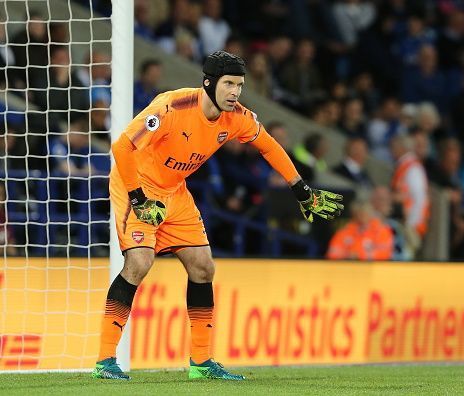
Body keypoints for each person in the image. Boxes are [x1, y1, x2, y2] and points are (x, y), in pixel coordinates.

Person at [92, 51, 343, 381]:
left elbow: (268, 146)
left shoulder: (237, 116)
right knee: (139, 263)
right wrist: (138, 199)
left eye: (239, 85)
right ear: (208, 83)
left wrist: (301, 191)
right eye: (228, 84)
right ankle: (105, 361)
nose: (235, 92)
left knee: (203, 267)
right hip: (136, 184)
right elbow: (123, 147)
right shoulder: (170, 107)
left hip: (175, 191)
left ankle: (201, 363)